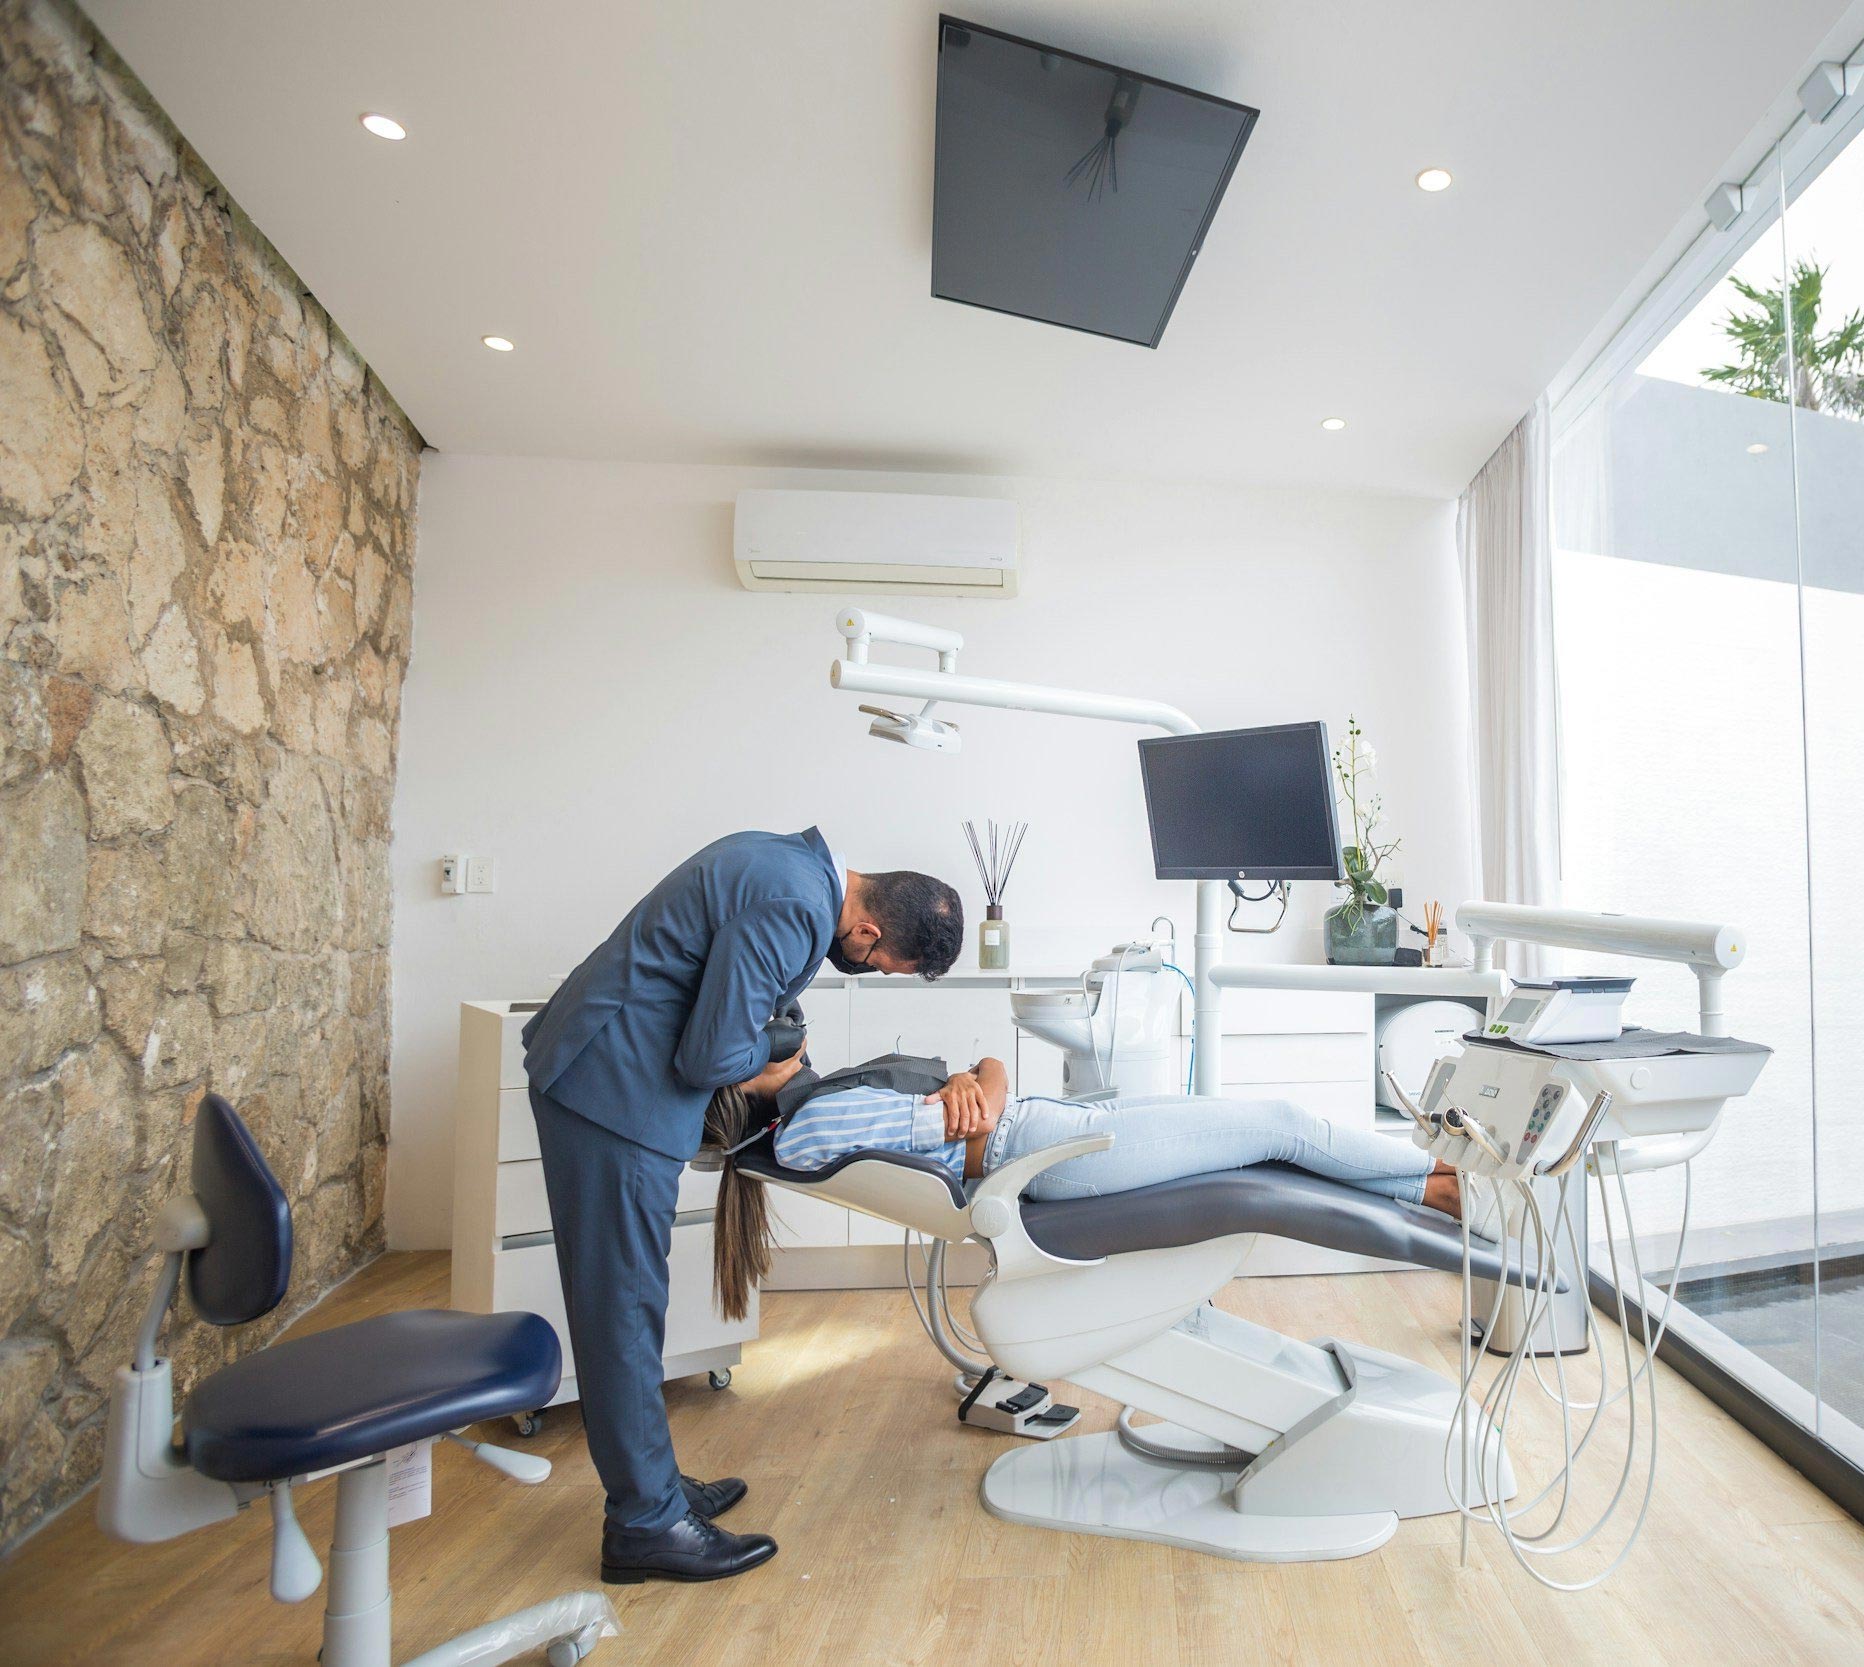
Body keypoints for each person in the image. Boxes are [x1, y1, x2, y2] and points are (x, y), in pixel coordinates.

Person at [522, 829, 962, 1584]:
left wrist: (776, 1057)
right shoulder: (794, 908)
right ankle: (645, 1524)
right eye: (881, 965)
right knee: (621, 1309)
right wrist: (769, 1070)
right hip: (610, 1092)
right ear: (867, 931)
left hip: (609, 1073)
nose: (868, 970)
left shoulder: (790, 865)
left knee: (634, 1304)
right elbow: (709, 1056)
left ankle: (652, 1485)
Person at [699, 1057, 1460, 1318]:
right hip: (1047, 1151)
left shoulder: (818, 1104)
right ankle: (1442, 1188)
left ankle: (1432, 1185)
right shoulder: (810, 1124)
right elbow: (973, 1116)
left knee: (1272, 1134)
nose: (781, 1026)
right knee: (1281, 1126)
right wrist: (976, 1083)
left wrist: (978, 1080)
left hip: (1047, 1125)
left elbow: (985, 1081)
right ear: (739, 1082)